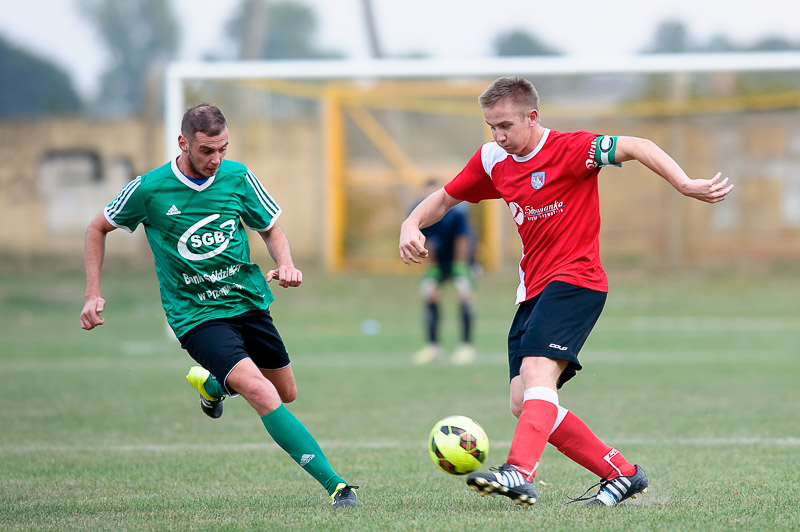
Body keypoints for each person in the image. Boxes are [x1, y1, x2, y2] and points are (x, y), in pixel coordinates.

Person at [399, 77, 733, 507]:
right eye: (491, 127)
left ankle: (519, 471)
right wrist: (411, 223)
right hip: (532, 291)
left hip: (577, 280)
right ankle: (623, 474)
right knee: (524, 402)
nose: (498, 136)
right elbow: (443, 199)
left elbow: (638, 144)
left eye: (505, 126)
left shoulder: (572, 149)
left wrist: (684, 183)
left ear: (532, 117)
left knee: (539, 374)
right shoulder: (493, 159)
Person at [80, 103, 359, 508]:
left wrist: (287, 264)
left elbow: (271, 228)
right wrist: (92, 293)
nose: (216, 159)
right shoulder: (150, 188)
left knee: (287, 392)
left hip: (247, 302)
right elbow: (97, 227)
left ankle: (213, 385)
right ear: (183, 143)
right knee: (262, 393)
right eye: (207, 150)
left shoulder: (237, 176)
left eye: (223, 149)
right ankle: (338, 486)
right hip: (196, 316)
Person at [411, 179, 478, 365]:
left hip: (460, 259)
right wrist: (432, 268)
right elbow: (427, 241)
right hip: (438, 261)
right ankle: (433, 347)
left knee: (464, 294)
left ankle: (466, 346)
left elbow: (463, 239)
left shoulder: (456, 212)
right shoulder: (417, 212)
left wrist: (460, 267)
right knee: (429, 294)